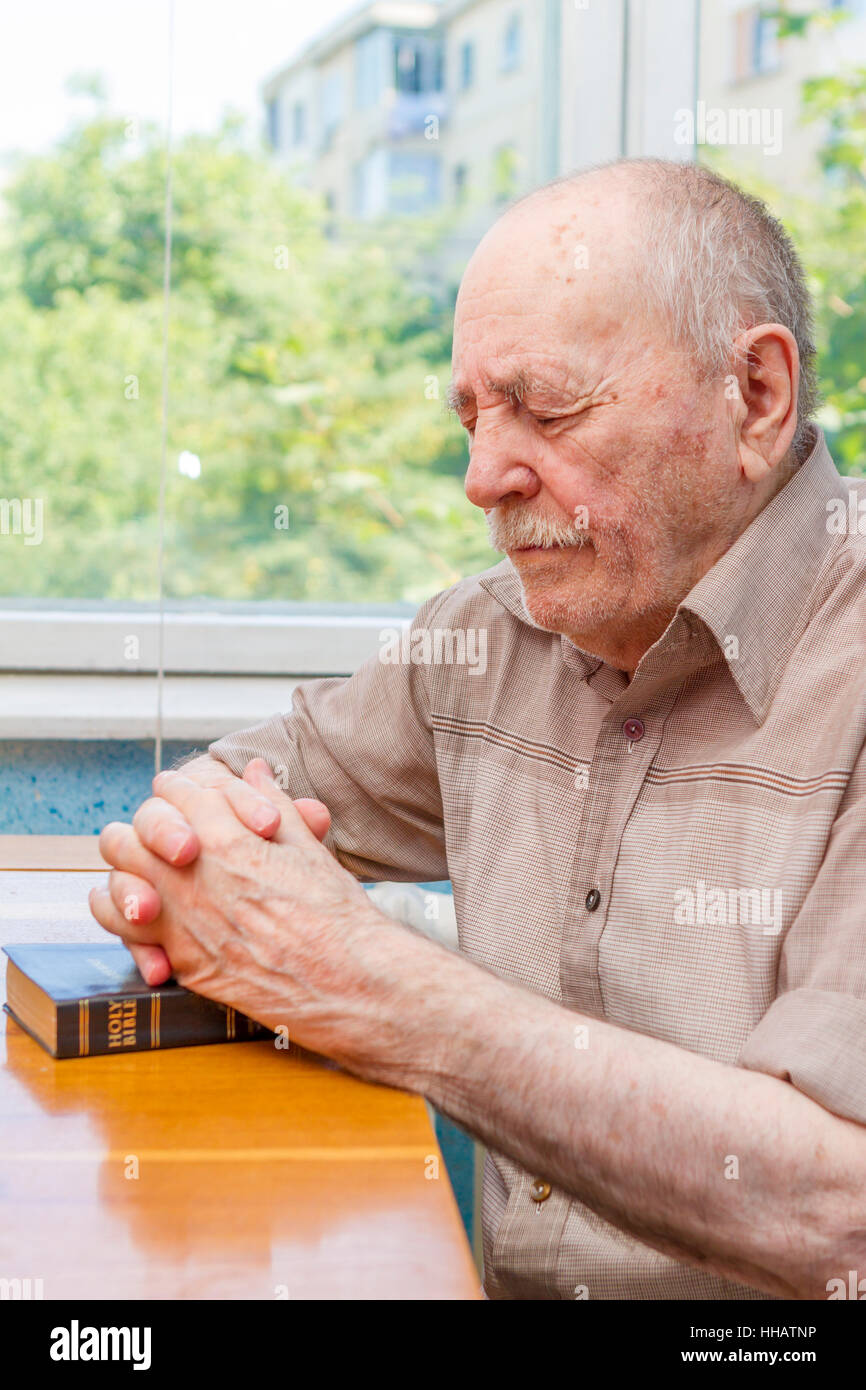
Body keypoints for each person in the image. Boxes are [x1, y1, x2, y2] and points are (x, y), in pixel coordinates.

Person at [91, 157, 866, 1300]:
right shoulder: (484, 640)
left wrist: (378, 992)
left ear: (752, 394)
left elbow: (837, 1211)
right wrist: (184, 867)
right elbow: (218, 803)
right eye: (469, 416)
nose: (479, 476)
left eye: (544, 407)